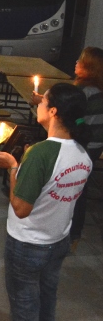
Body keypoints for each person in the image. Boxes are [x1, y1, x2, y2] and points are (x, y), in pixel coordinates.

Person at [0, 84, 92, 321]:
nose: (39, 103)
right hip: (57, 240)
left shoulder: (41, 153)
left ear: (54, 111)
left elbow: (21, 207)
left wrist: (12, 167)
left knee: (25, 317)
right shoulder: (82, 153)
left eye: (43, 100)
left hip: (28, 244)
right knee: (45, 307)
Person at [68, 47, 103, 245]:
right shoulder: (99, 91)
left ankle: (73, 231)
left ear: (90, 67)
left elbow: (72, 118)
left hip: (83, 144)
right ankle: (75, 232)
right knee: (82, 183)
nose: (76, 62)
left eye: (80, 60)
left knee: (76, 187)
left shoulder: (83, 92)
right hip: (97, 146)